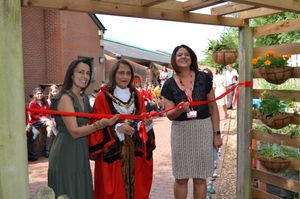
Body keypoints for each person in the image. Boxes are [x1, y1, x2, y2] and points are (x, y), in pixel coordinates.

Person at [48, 59, 119, 199]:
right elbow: (74, 132)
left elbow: (95, 120)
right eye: (80, 72)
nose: (85, 76)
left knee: (80, 189)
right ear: (71, 75)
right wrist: (101, 124)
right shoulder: (65, 98)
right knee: (68, 190)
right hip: (66, 151)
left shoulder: (85, 98)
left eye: (88, 73)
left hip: (81, 151)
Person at [160, 44, 222, 199]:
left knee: (201, 177)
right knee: (181, 178)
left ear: (192, 57)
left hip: (203, 129)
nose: (183, 57)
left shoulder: (204, 78)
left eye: (186, 54)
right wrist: (180, 109)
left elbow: (213, 107)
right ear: (174, 59)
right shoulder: (168, 84)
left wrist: (217, 134)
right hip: (181, 132)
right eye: (179, 55)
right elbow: (169, 115)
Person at [88, 59, 156, 199]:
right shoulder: (103, 97)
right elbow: (96, 124)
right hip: (113, 154)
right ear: (114, 75)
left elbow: (142, 118)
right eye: (121, 73)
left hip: (135, 153)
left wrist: (145, 124)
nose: (124, 77)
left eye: (128, 73)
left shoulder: (137, 95)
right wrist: (117, 128)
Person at [28, 86, 58, 157]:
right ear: (35, 95)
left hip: (45, 120)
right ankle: (58, 136)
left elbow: (48, 112)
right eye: (38, 94)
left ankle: (47, 150)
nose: (39, 95)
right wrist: (41, 118)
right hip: (36, 121)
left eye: (41, 93)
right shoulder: (32, 103)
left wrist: (45, 117)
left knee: (50, 130)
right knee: (50, 123)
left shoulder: (45, 102)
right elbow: (32, 115)